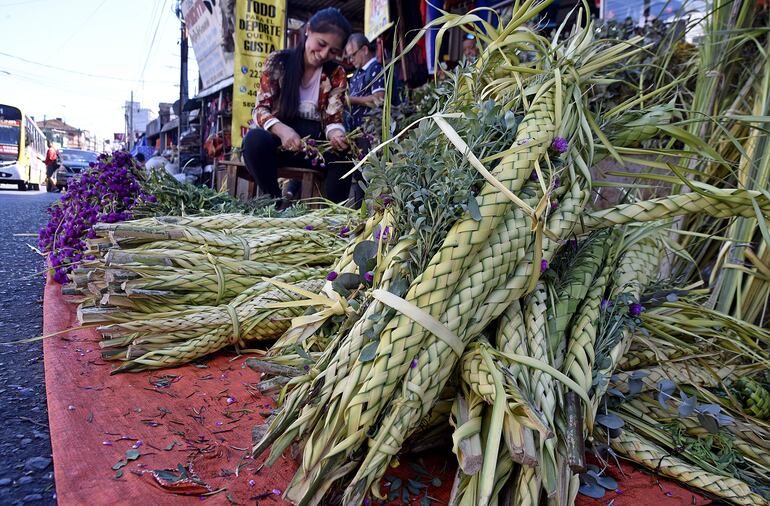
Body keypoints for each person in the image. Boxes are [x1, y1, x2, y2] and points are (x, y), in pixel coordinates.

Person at [241, 8, 354, 208]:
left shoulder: (336, 73)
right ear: (309, 30)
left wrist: (336, 134)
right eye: (321, 44)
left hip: (312, 150)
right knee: (253, 141)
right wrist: (282, 130)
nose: (324, 54)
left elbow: (333, 118)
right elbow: (260, 109)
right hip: (279, 146)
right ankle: (276, 203)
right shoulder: (278, 63)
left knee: (344, 155)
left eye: (333, 51)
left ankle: (332, 217)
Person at [344, 33, 385, 130]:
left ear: (365, 50)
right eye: (348, 57)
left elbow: (379, 100)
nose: (351, 60)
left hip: (374, 132)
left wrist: (350, 100)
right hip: (358, 132)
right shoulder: (355, 75)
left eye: (353, 55)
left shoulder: (376, 68)